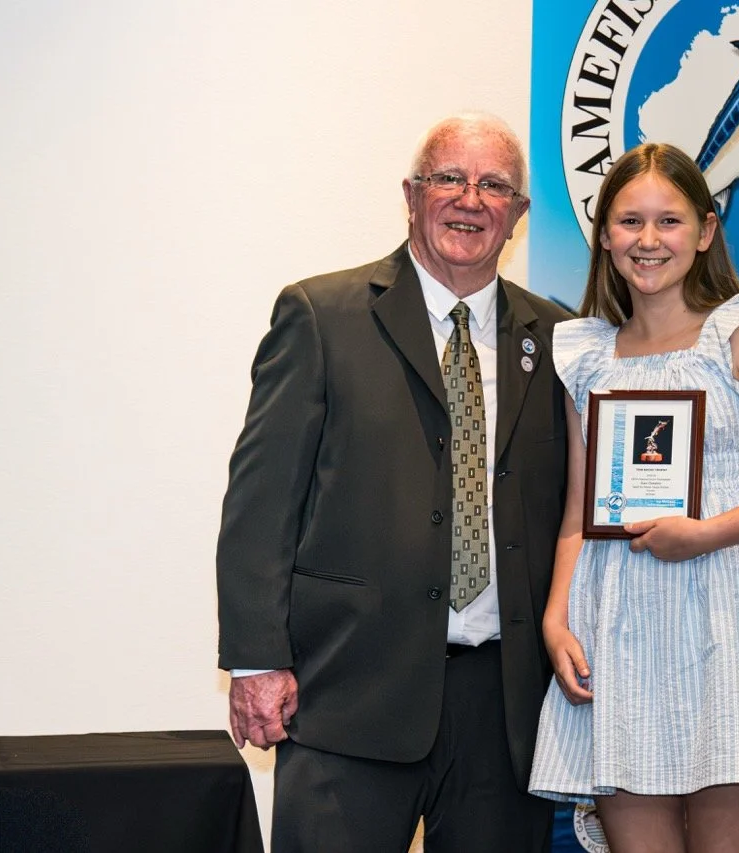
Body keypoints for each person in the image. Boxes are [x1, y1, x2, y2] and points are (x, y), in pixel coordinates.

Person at [216, 112, 570, 853]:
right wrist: (257, 659)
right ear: (412, 195)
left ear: (519, 215)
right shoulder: (322, 316)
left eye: (494, 185)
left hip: (501, 711)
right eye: (450, 178)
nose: (470, 199)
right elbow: (261, 504)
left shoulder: (556, 338)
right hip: (348, 693)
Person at [527, 142, 739, 852]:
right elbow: (578, 515)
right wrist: (556, 619)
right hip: (618, 628)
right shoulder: (587, 356)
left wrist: (704, 532)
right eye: (630, 222)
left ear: (705, 231)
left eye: (669, 221)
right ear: (606, 235)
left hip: (733, 617)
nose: (649, 241)